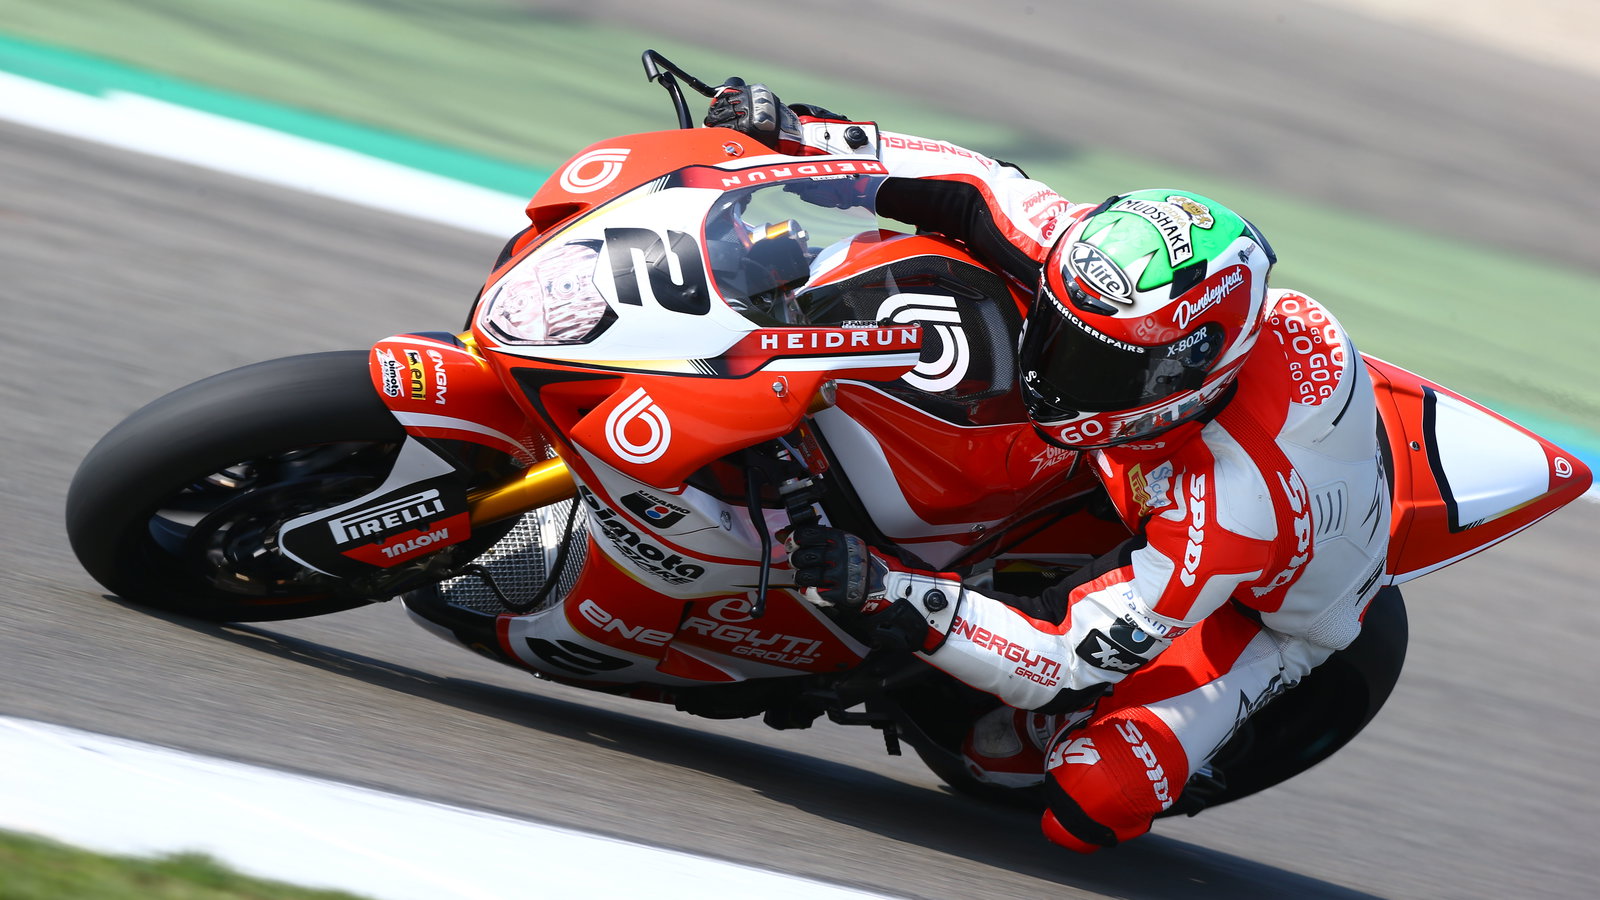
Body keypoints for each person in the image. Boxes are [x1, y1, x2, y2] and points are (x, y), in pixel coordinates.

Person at [707, 83, 1394, 852]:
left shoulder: (1230, 508)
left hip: (1265, 613)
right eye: (1062, 334)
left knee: (1074, 794)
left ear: (1186, 374)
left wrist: (887, 588)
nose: (1054, 373)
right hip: (1191, 459)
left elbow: (1063, 655)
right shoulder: (1122, 291)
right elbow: (978, 188)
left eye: (1098, 365)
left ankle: (1173, 729)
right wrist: (804, 136)